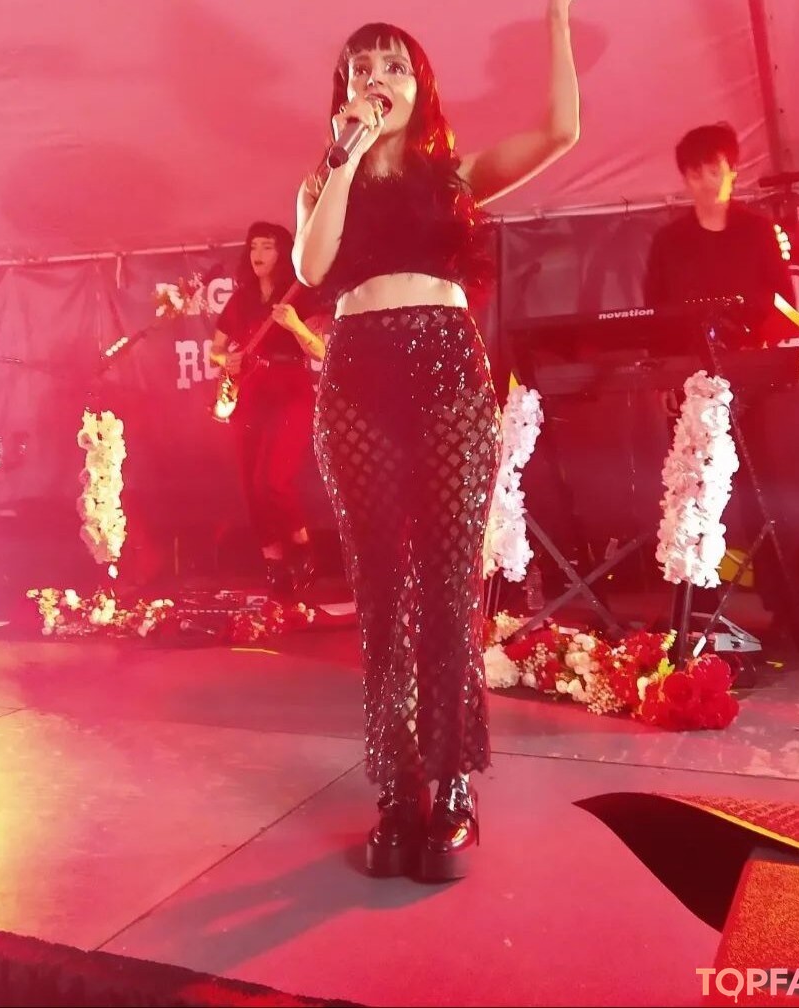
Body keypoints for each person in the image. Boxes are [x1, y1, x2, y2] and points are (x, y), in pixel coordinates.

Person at [294, 1, 579, 881]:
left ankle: (453, 784)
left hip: (447, 370)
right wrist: (344, 157)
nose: (378, 79)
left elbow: (561, 132)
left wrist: (557, 19)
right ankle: (397, 787)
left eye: (395, 67)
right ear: (344, 88)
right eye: (362, 68)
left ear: (421, 86)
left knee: (450, 586)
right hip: (358, 378)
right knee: (382, 590)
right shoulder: (323, 177)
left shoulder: (455, 172)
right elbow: (310, 268)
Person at [643, 122, 799, 650]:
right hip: (692, 384)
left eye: (714, 169)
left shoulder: (757, 231)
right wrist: (666, 376)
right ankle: (692, 610)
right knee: (691, 495)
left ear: (732, 170)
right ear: (684, 178)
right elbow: (656, 316)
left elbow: (784, 305)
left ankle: (787, 611)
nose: (706, 180)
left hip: (749, 384)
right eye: (695, 172)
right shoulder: (669, 242)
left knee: (763, 499)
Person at [209, 222, 330, 600]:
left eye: (267, 247)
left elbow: (320, 351)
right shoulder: (241, 299)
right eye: (254, 247)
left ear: (283, 253)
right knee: (250, 484)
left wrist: (294, 325)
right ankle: (274, 563)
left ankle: (303, 549)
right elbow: (215, 351)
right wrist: (227, 360)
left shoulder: (300, 296)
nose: (258, 254)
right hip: (250, 392)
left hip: (289, 388)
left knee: (272, 479)